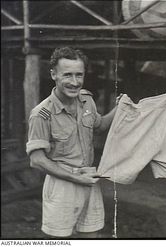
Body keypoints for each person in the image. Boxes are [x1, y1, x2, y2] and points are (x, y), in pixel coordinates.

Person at [26, 47, 118, 238]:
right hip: (62, 184)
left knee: (91, 237)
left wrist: (120, 108)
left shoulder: (86, 101)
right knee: (59, 239)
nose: (74, 82)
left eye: (79, 75)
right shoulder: (42, 114)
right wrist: (77, 178)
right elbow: (37, 160)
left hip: (89, 177)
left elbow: (99, 126)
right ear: (54, 74)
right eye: (67, 75)